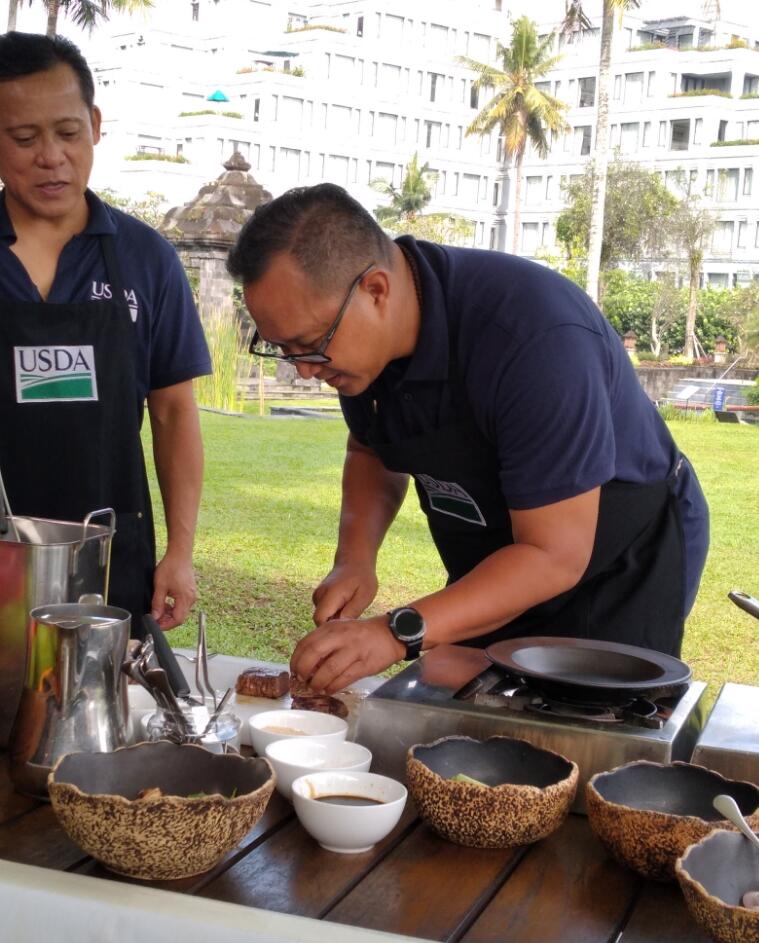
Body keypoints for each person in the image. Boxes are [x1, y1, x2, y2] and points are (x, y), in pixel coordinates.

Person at [228, 184, 710, 693]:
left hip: (613, 562)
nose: (304, 372)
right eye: (283, 350)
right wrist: (355, 557)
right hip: (496, 560)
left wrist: (396, 633)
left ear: (376, 290)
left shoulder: (534, 340)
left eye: (310, 346)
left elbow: (554, 555)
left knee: (585, 729)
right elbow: (371, 446)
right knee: (480, 717)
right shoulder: (356, 352)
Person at [0, 32, 211, 631]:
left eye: (67, 133)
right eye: (23, 138)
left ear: (94, 124)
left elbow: (174, 413)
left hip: (113, 562)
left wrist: (182, 552)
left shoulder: (147, 259)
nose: (51, 156)